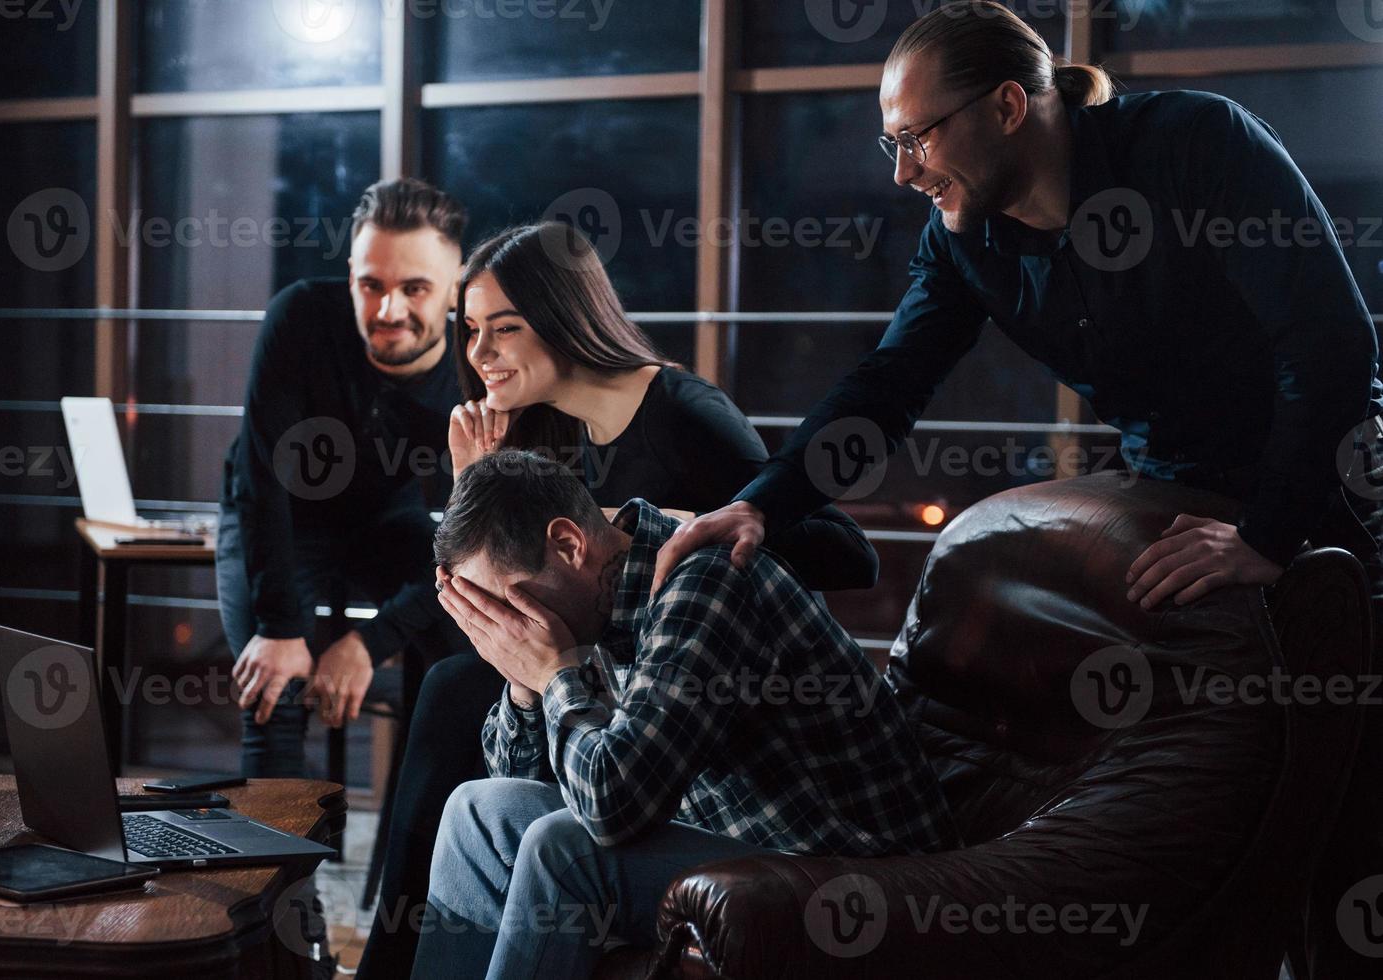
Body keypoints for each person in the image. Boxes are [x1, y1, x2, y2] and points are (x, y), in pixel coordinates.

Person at [651, 4, 1382, 976]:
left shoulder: (1192, 143)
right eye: (889, 141)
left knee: (1349, 845)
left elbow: (1329, 349)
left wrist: (1266, 532)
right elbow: (887, 384)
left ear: (1005, 105)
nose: (900, 170)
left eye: (915, 136)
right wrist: (760, 503)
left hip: (1333, 494)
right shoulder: (963, 238)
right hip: (1174, 499)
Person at [356, 222, 878, 978]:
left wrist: (687, 533)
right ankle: (401, 960)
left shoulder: (681, 413)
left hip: (704, 648)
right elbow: (498, 556)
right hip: (618, 660)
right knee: (473, 760)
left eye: (504, 330)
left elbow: (843, 550)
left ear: (565, 317)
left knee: (462, 705)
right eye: (470, 332)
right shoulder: (541, 424)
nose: (479, 354)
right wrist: (481, 483)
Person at [410, 450, 956, 979]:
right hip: (743, 852)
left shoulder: (704, 580)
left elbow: (611, 809)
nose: (506, 628)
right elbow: (527, 780)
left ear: (568, 543)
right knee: (478, 810)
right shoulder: (592, 606)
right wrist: (524, 683)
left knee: (566, 850)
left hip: (858, 882)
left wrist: (554, 674)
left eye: (506, 606)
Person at [217, 177, 471, 778]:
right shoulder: (300, 315)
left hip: (384, 517)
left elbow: (470, 549)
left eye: (415, 288)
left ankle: (419, 862)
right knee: (272, 690)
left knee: (467, 658)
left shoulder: (475, 367)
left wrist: (369, 643)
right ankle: (282, 874)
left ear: (455, 287)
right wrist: (281, 628)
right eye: (371, 286)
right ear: (351, 274)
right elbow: (261, 479)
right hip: (281, 514)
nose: (390, 311)